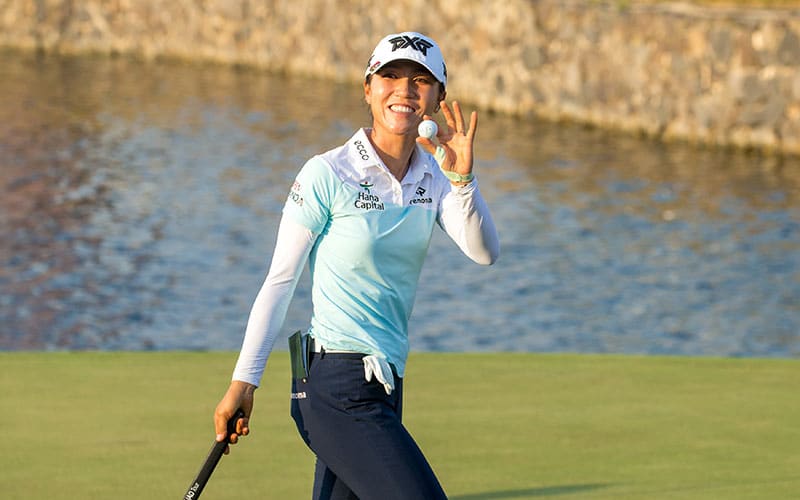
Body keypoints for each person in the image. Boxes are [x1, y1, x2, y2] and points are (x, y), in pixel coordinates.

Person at [213, 31, 500, 499]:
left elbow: (484, 252)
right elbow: (280, 282)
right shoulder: (328, 173)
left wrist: (463, 180)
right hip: (335, 386)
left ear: (437, 97)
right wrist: (244, 382)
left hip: (386, 383)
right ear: (367, 89)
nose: (404, 90)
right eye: (390, 76)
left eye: (420, 81)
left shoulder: (436, 177)